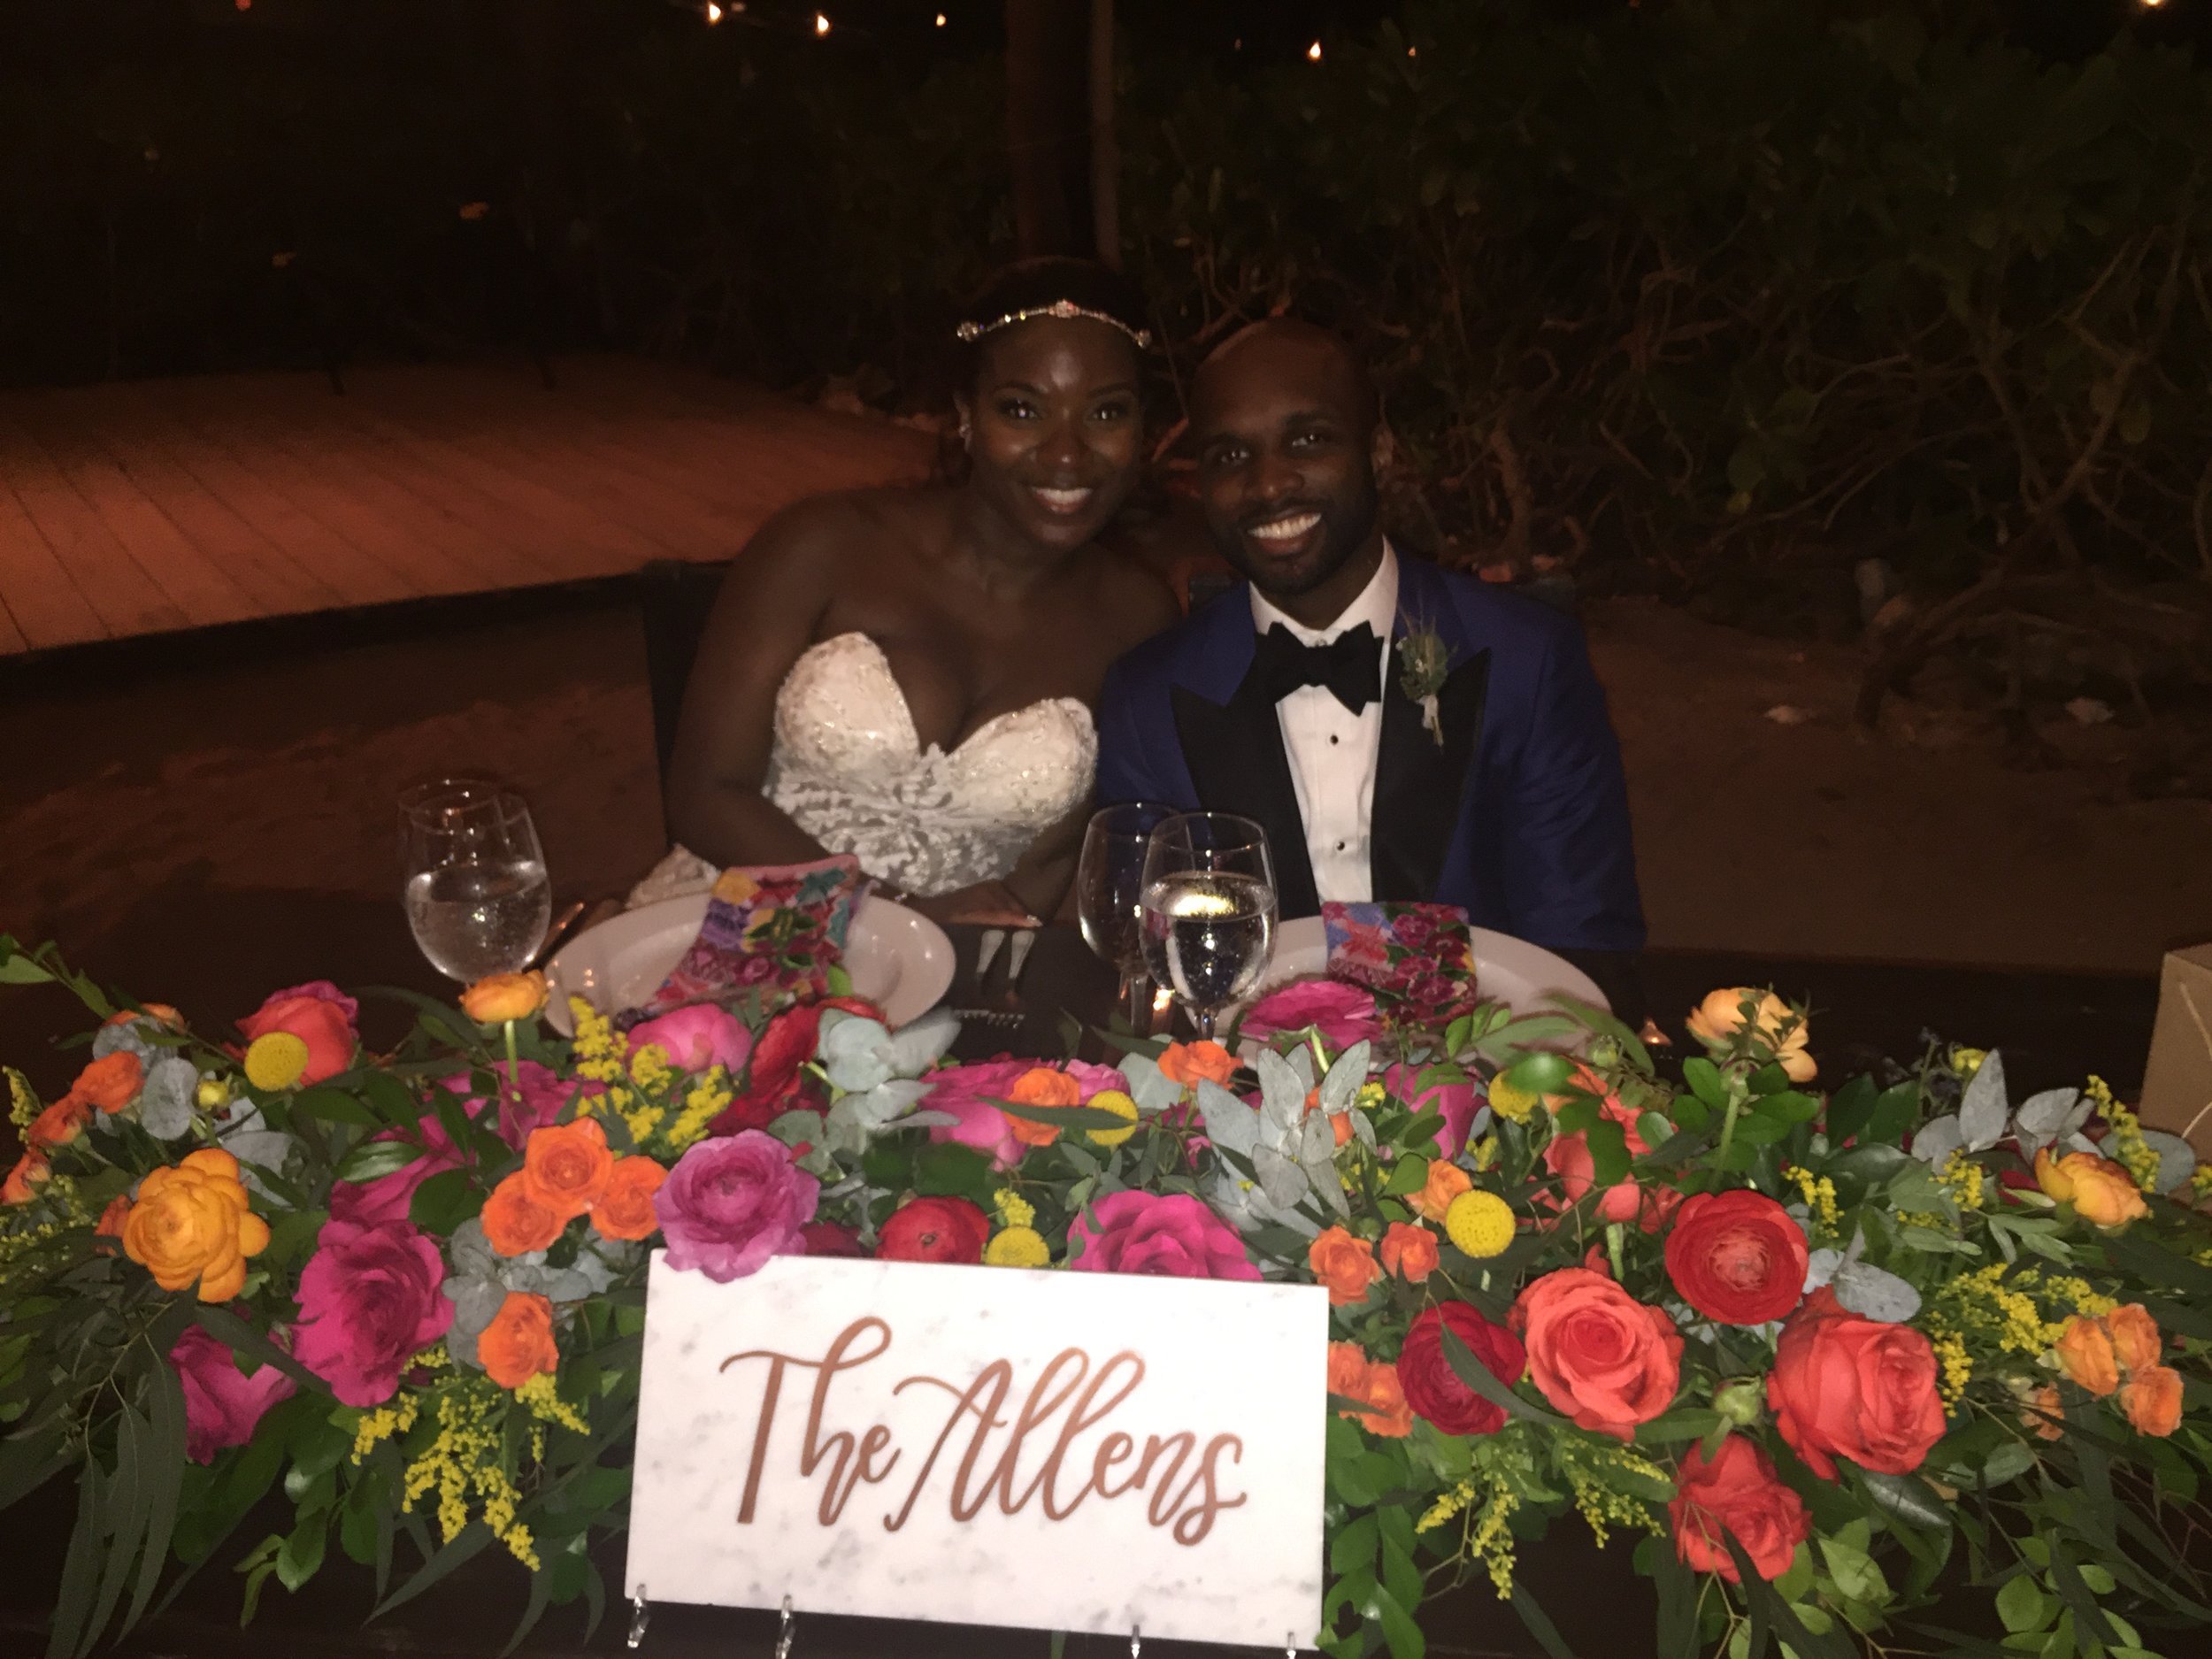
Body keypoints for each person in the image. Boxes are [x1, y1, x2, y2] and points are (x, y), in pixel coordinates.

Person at [1094, 318, 1645, 968]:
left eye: (1307, 439)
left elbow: (1581, 941)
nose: (1269, 484)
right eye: (1231, 456)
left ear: (1379, 451)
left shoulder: (1529, 662)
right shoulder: (1146, 696)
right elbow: (1148, 957)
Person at [657, 258, 1179, 925]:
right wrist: (890, 916)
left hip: (957, 979)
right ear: (966, 415)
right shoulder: (821, 544)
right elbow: (706, 792)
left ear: (1143, 432)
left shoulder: (1139, 615)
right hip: (741, 919)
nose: (1067, 453)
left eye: (1105, 412)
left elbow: (1076, 853)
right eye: (1023, 409)